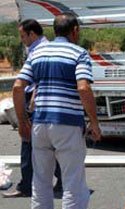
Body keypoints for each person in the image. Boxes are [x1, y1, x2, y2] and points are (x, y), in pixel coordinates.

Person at [13, 12, 101, 209]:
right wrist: (95, 123)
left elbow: (17, 86)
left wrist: (23, 121)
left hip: (40, 124)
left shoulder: (38, 53)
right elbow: (83, 87)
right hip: (67, 124)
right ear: (75, 31)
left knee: (40, 183)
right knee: (73, 184)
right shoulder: (79, 53)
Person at [3, 20, 63, 199]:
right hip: (40, 99)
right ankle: (57, 182)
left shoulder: (40, 49)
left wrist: (33, 98)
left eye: (23, 36)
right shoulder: (41, 47)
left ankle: (27, 185)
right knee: (46, 142)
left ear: (32, 34)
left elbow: (39, 77)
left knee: (29, 141)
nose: (22, 40)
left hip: (35, 100)